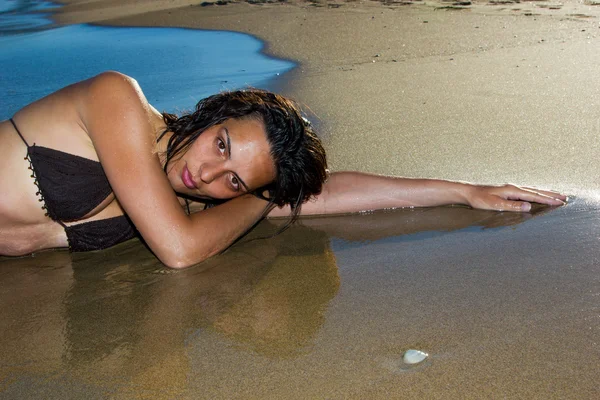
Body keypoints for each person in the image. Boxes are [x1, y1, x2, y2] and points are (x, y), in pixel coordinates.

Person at [0, 71, 566, 268]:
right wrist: (261, 196)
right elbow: (179, 251)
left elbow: (329, 194)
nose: (209, 174)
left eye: (237, 181)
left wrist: (464, 191)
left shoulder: (194, 198)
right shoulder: (116, 99)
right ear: (213, 115)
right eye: (221, 146)